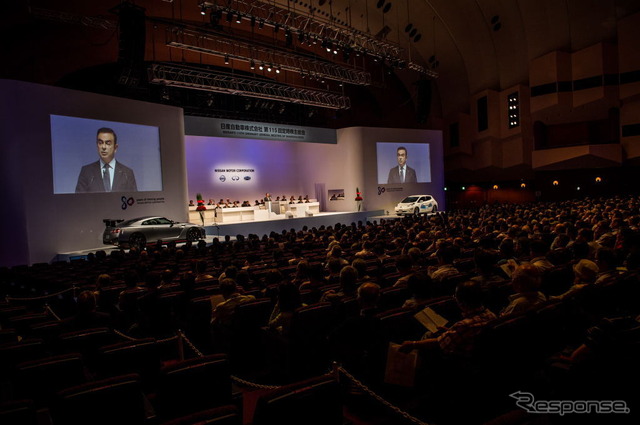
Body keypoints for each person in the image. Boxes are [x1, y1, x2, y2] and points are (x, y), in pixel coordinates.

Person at [75, 127, 137, 193]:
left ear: (115, 148)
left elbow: (134, 200)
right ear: (97, 145)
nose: (103, 147)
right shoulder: (86, 172)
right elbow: (78, 201)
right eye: (100, 143)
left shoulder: (127, 173)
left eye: (108, 143)